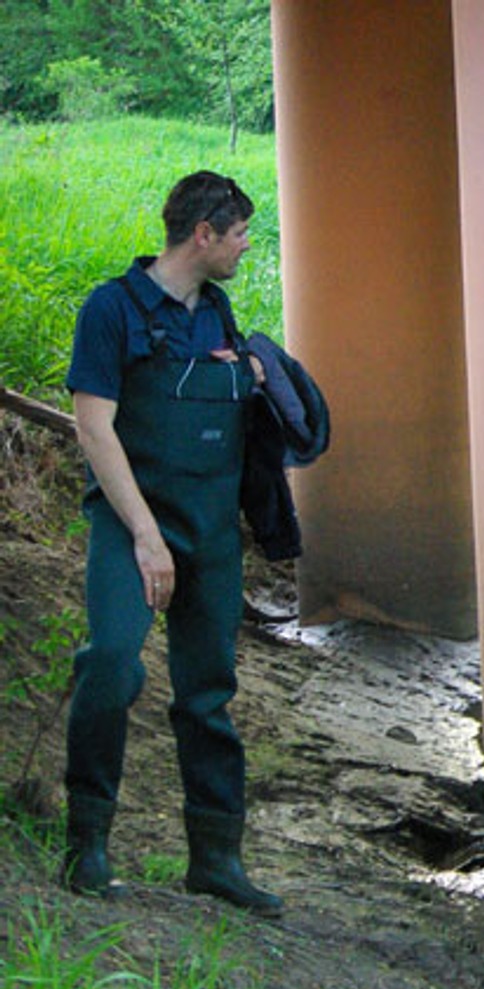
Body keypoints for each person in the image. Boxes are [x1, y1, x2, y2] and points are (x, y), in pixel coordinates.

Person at [60, 171, 282, 915]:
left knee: (209, 692)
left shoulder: (217, 316)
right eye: (241, 233)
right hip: (132, 525)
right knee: (112, 663)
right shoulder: (111, 310)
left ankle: (216, 859)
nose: (248, 247)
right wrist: (147, 537)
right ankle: (86, 843)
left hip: (213, 533)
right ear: (204, 234)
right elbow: (95, 428)